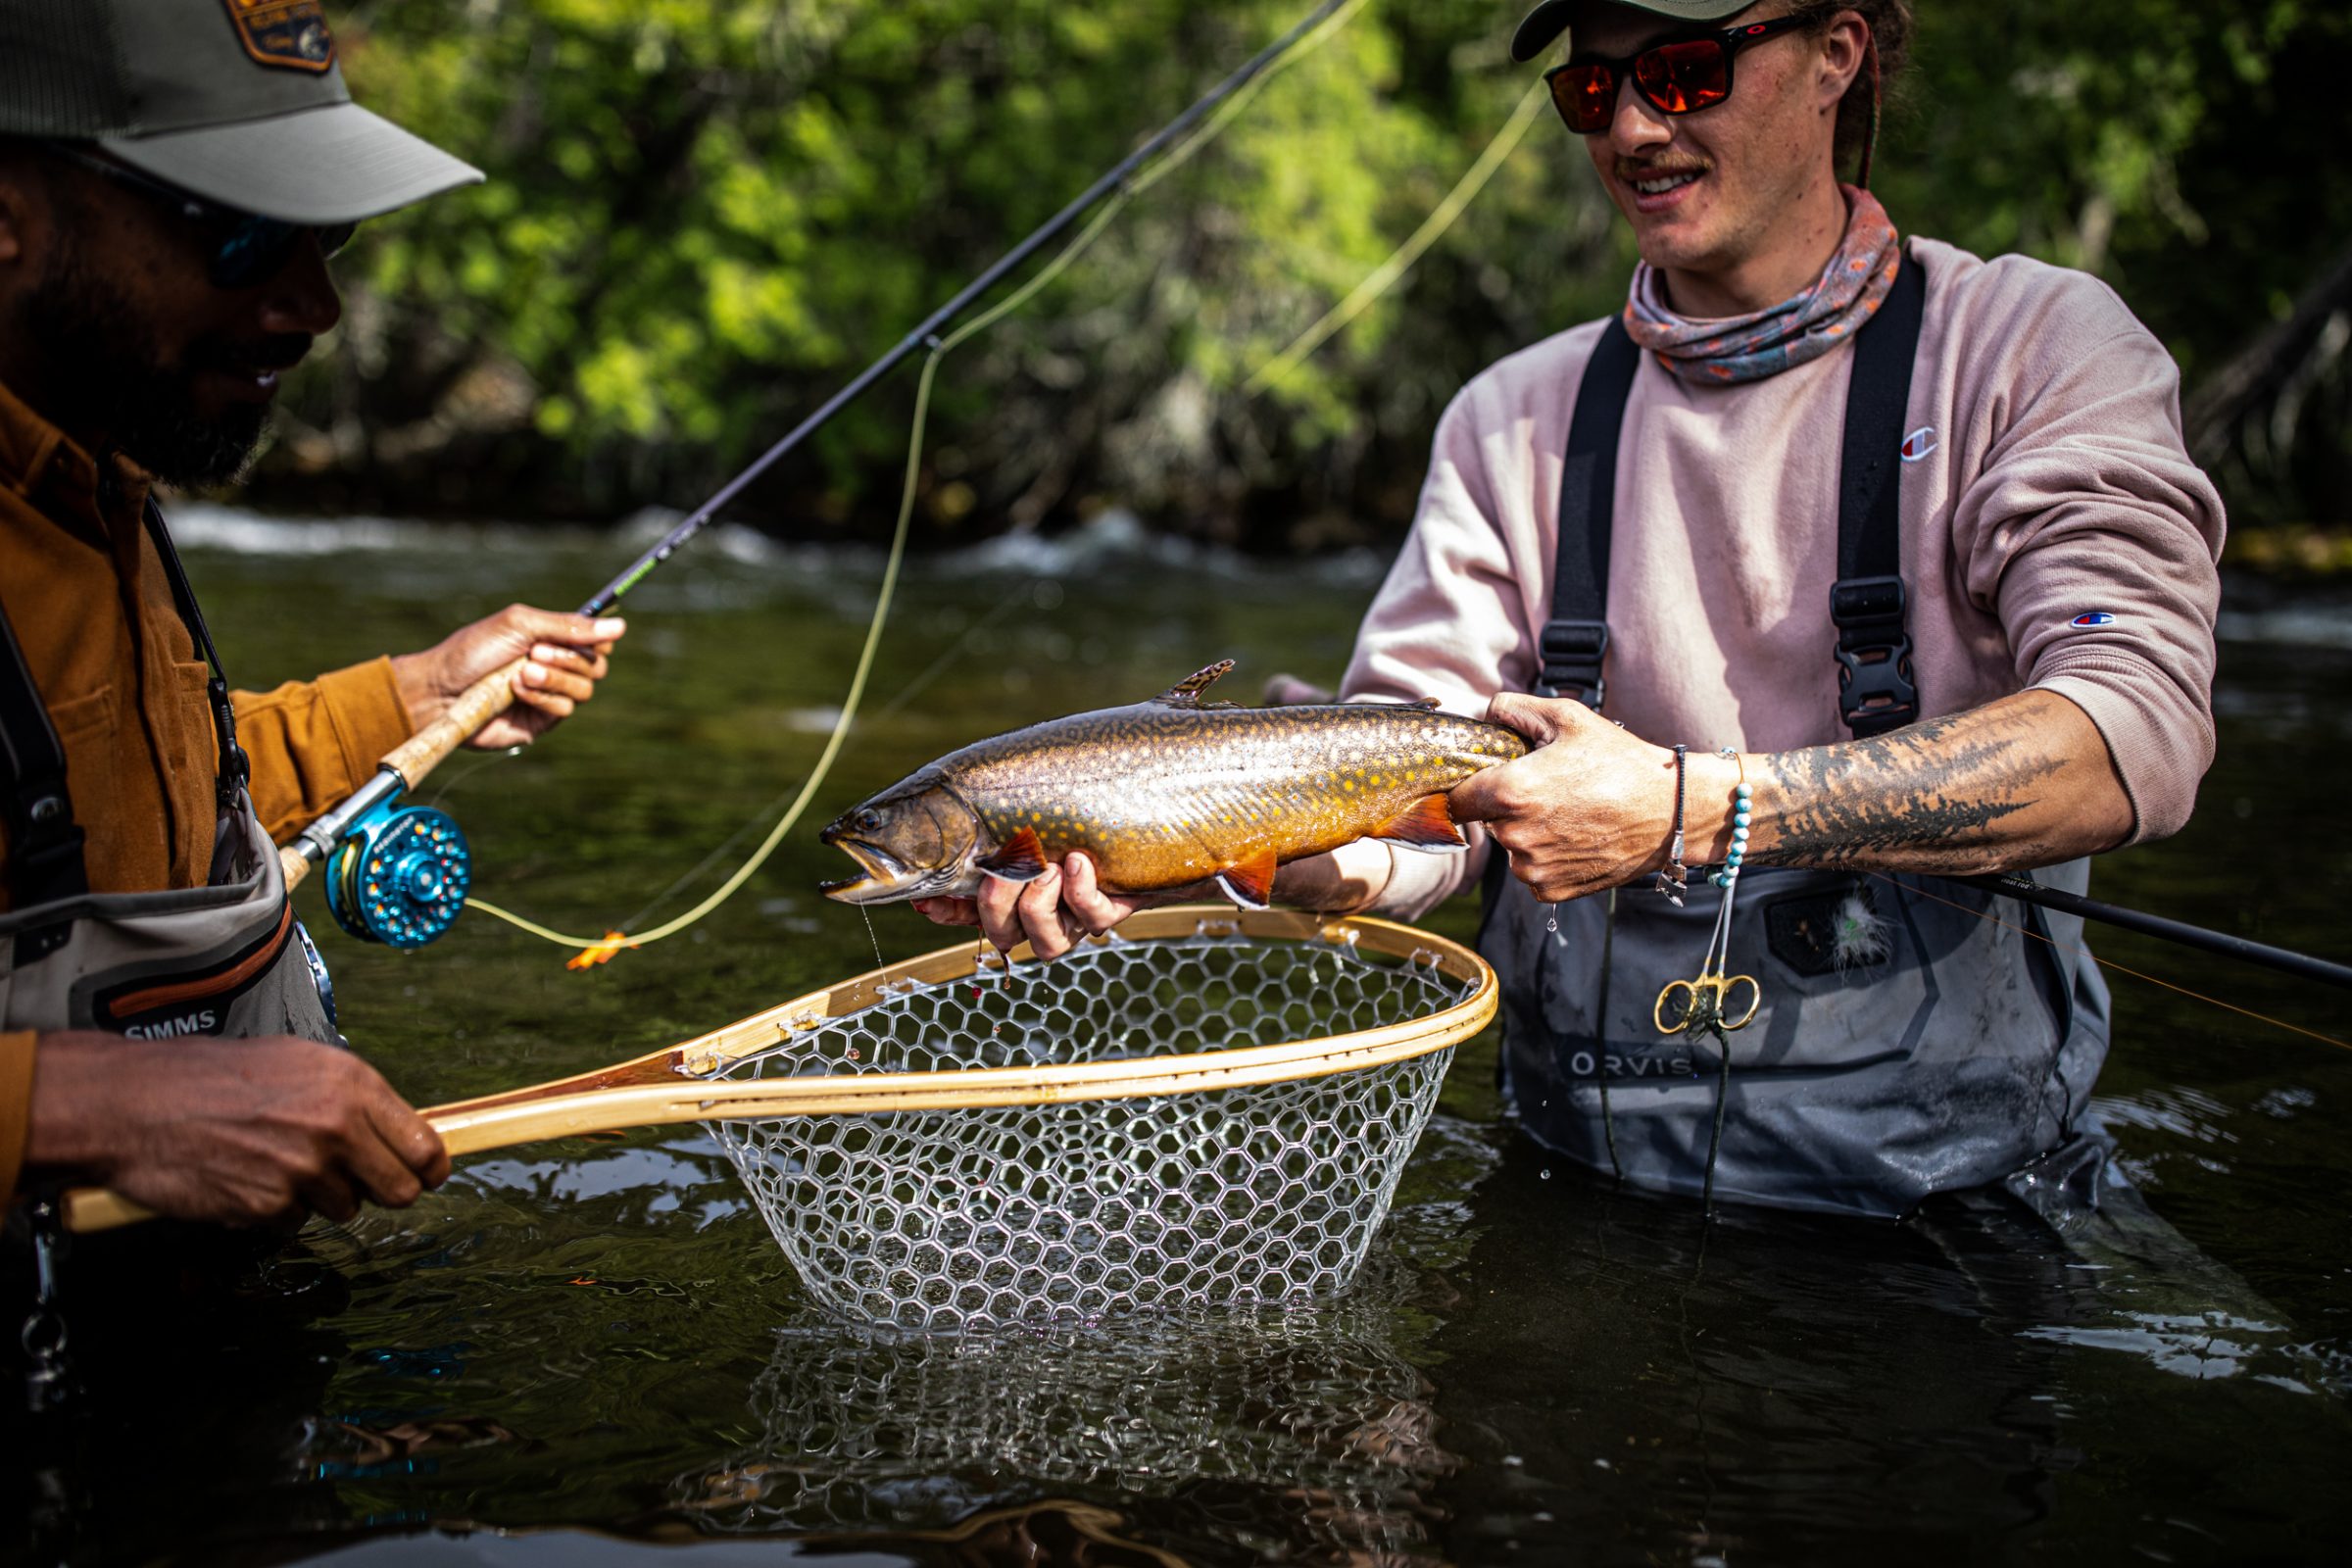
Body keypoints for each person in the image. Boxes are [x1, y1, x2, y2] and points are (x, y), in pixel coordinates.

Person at [920, 0, 2225, 1219]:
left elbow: (2131, 738)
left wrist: (1690, 808)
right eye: (1595, 87)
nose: (1634, 128)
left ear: (1837, 55)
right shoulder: (1512, 420)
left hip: (1955, 1202)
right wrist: (1268, 849)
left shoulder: (2035, 348)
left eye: (1685, 71)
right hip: (1578, 1187)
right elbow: (1418, 833)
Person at [0, 0, 624, 1228]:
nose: (314, 303)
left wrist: (411, 699)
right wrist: (76, 1110)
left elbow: (110, 801)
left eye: (325, 231)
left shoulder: (102, 472)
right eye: (241, 236)